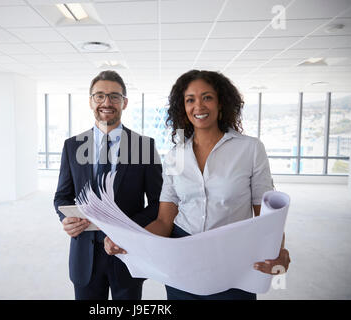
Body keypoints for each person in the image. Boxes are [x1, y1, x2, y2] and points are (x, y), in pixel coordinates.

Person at [104, 69, 291, 300]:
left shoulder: (250, 149)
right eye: (190, 100)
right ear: (183, 108)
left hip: (233, 259)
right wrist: (128, 240)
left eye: (207, 97)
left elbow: (266, 217)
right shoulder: (175, 156)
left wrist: (279, 250)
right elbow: (164, 221)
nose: (198, 106)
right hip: (182, 261)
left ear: (221, 103)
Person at [54, 70, 163, 300]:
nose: (107, 102)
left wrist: (126, 230)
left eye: (114, 96)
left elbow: (157, 203)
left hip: (127, 251)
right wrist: (66, 219)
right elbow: (62, 196)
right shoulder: (72, 146)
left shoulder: (144, 146)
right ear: (91, 101)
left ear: (124, 102)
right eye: (99, 96)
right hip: (85, 252)